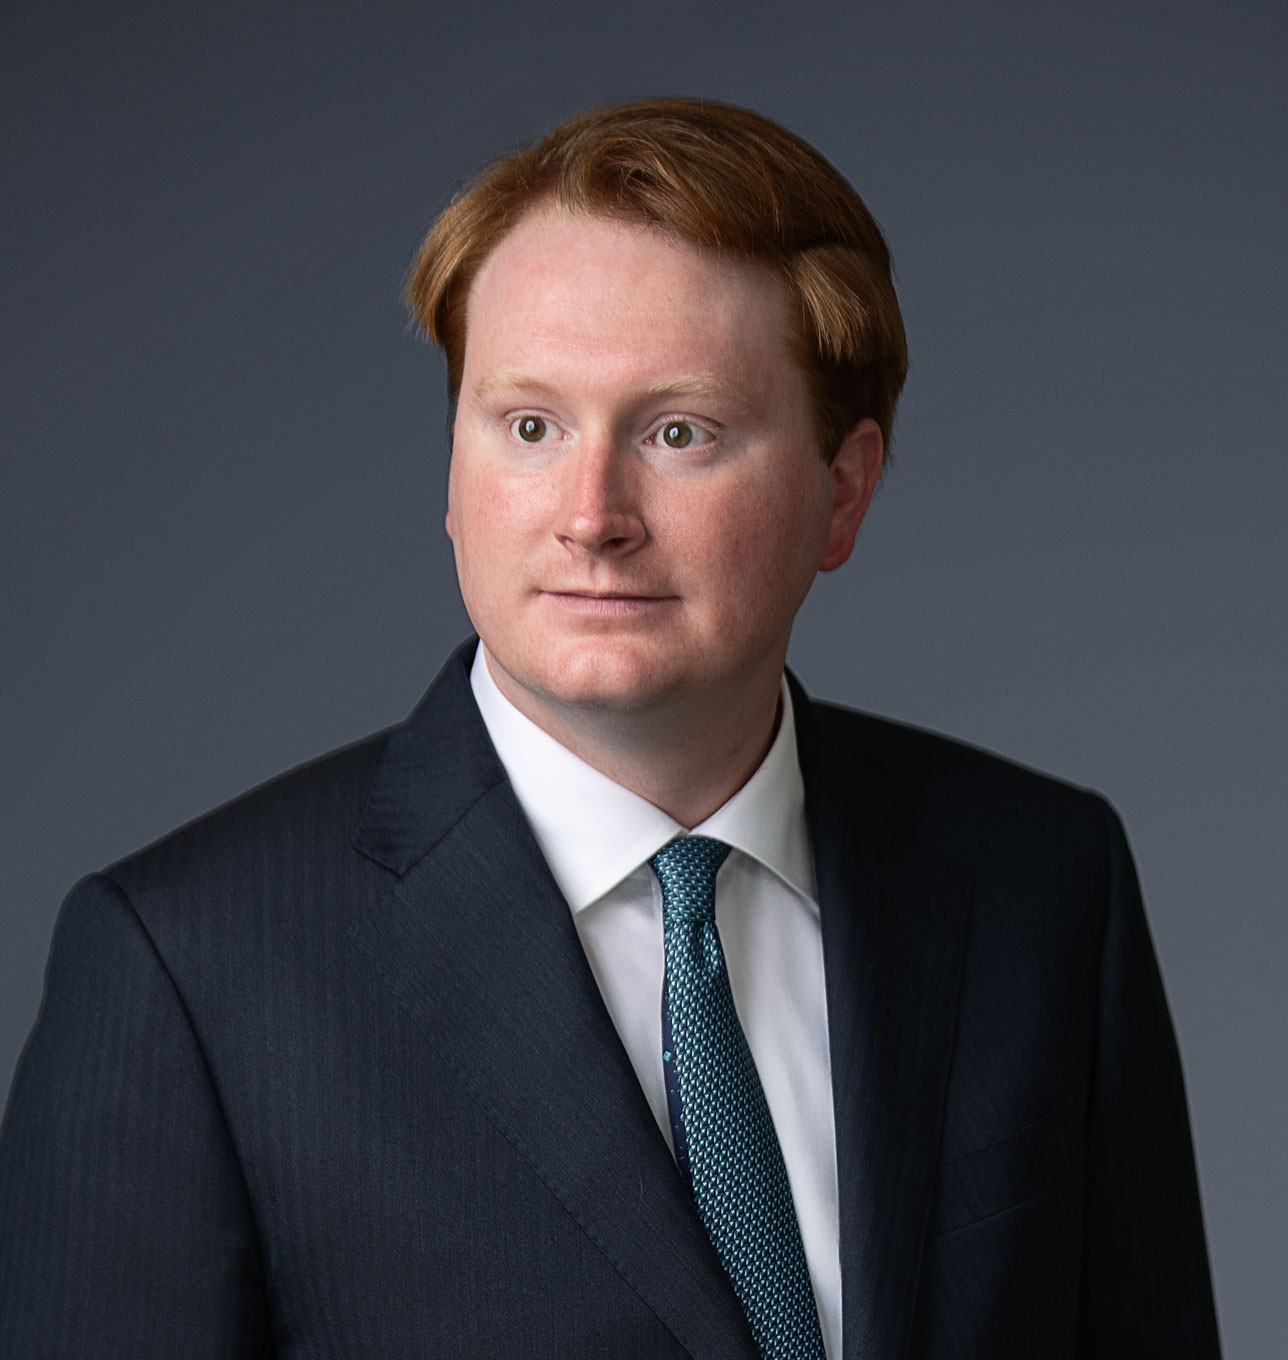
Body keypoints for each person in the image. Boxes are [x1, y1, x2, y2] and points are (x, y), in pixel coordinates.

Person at [0, 98, 1219, 1359]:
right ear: (454, 469)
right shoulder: (188, 970)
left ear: (842, 492)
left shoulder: (1044, 882)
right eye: (530, 426)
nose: (591, 515)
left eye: (679, 432)